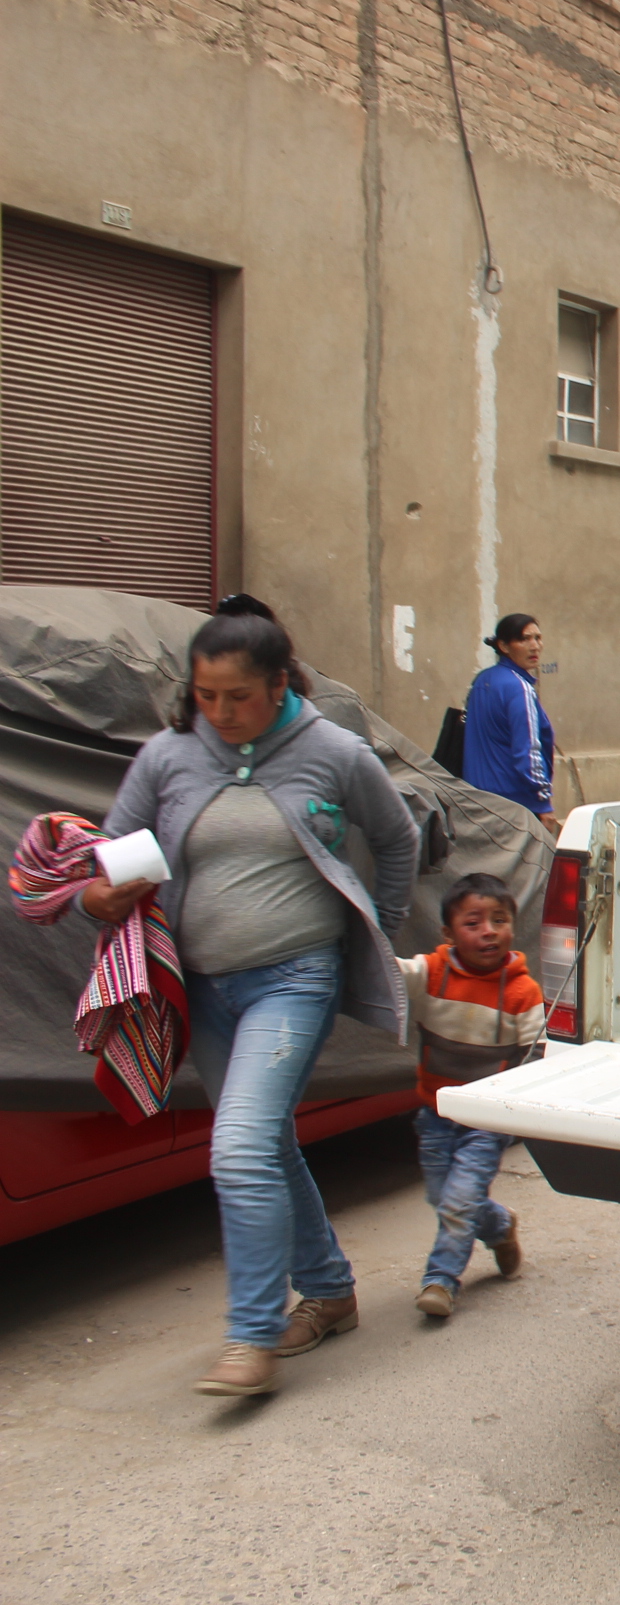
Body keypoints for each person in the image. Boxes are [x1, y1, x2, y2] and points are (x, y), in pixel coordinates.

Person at [83, 596, 420, 1399]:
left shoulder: (333, 751)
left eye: (238, 695)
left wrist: (378, 929)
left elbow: (398, 836)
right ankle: (331, 1293)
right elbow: (109, 855)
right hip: (199, 987)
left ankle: (251, 1335)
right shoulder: (169, 756)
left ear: (279, 684)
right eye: (205, 696)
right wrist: (93, 899)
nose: (221, 712)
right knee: (265, 1145)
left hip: (294, 977)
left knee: (237, 1150)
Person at [402, 872, 543, 1319]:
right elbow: (385, 972)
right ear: (448, 933)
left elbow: (536, 1057)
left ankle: (441, 1280)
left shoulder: (523, 992)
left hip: (485, 1122)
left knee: (459, 1202)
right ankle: (500, 1225)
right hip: (435, 1114)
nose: (488, 931)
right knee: (442, 1198)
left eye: (499, 920)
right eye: (473, 922)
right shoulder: (430, 975)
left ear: (512, 928)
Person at [462, 613, 558, 831]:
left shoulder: (483, 680)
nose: (534, 646)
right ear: (504, 646)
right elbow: (528, 751)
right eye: (524, 639)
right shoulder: (519, 688)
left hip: (477, 801)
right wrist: (542, 801)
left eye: (538, 638)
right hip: (514, 806)